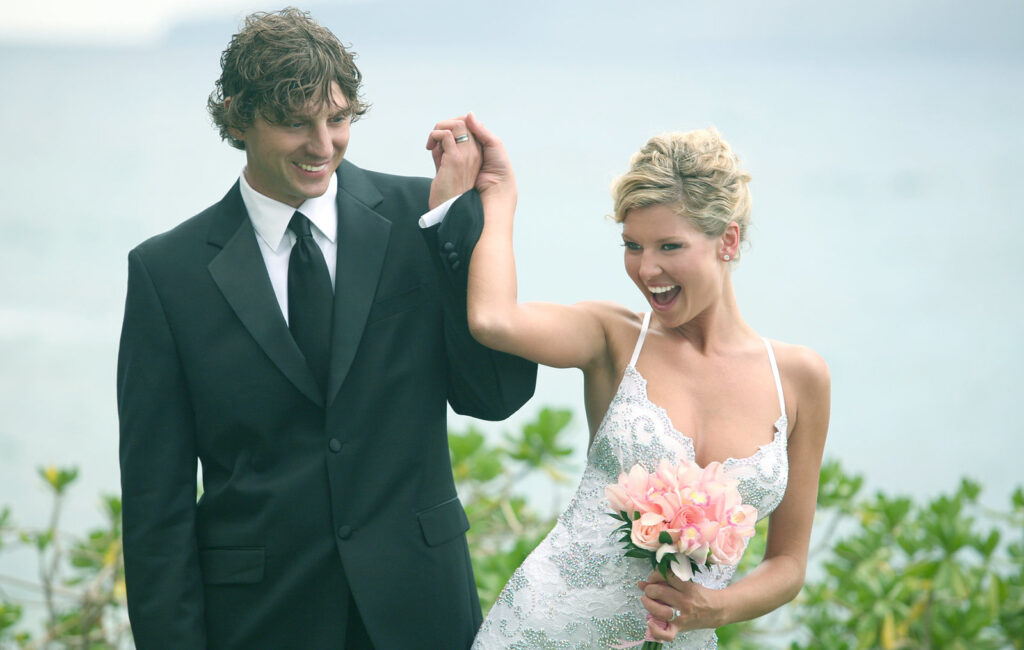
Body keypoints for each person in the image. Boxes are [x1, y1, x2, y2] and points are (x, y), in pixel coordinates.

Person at [116, 9, 536, 649]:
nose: (322, 146)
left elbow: (495, 395)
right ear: (237, 118)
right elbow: (156, 508)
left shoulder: (425, 218)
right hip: (260, 622)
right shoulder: (166, 272)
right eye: (295, 122)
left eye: (337, 119)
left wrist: (464, 224)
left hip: (421, 611)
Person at [455, 115, 831, 648]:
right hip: (543, 631)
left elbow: (788, 564)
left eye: (669, 247)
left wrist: (713, 609)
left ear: (727, 241)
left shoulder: (799, 378)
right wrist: (498, 196)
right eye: (633, 245)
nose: (646, 269)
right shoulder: (612, 338)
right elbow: (493, 321)